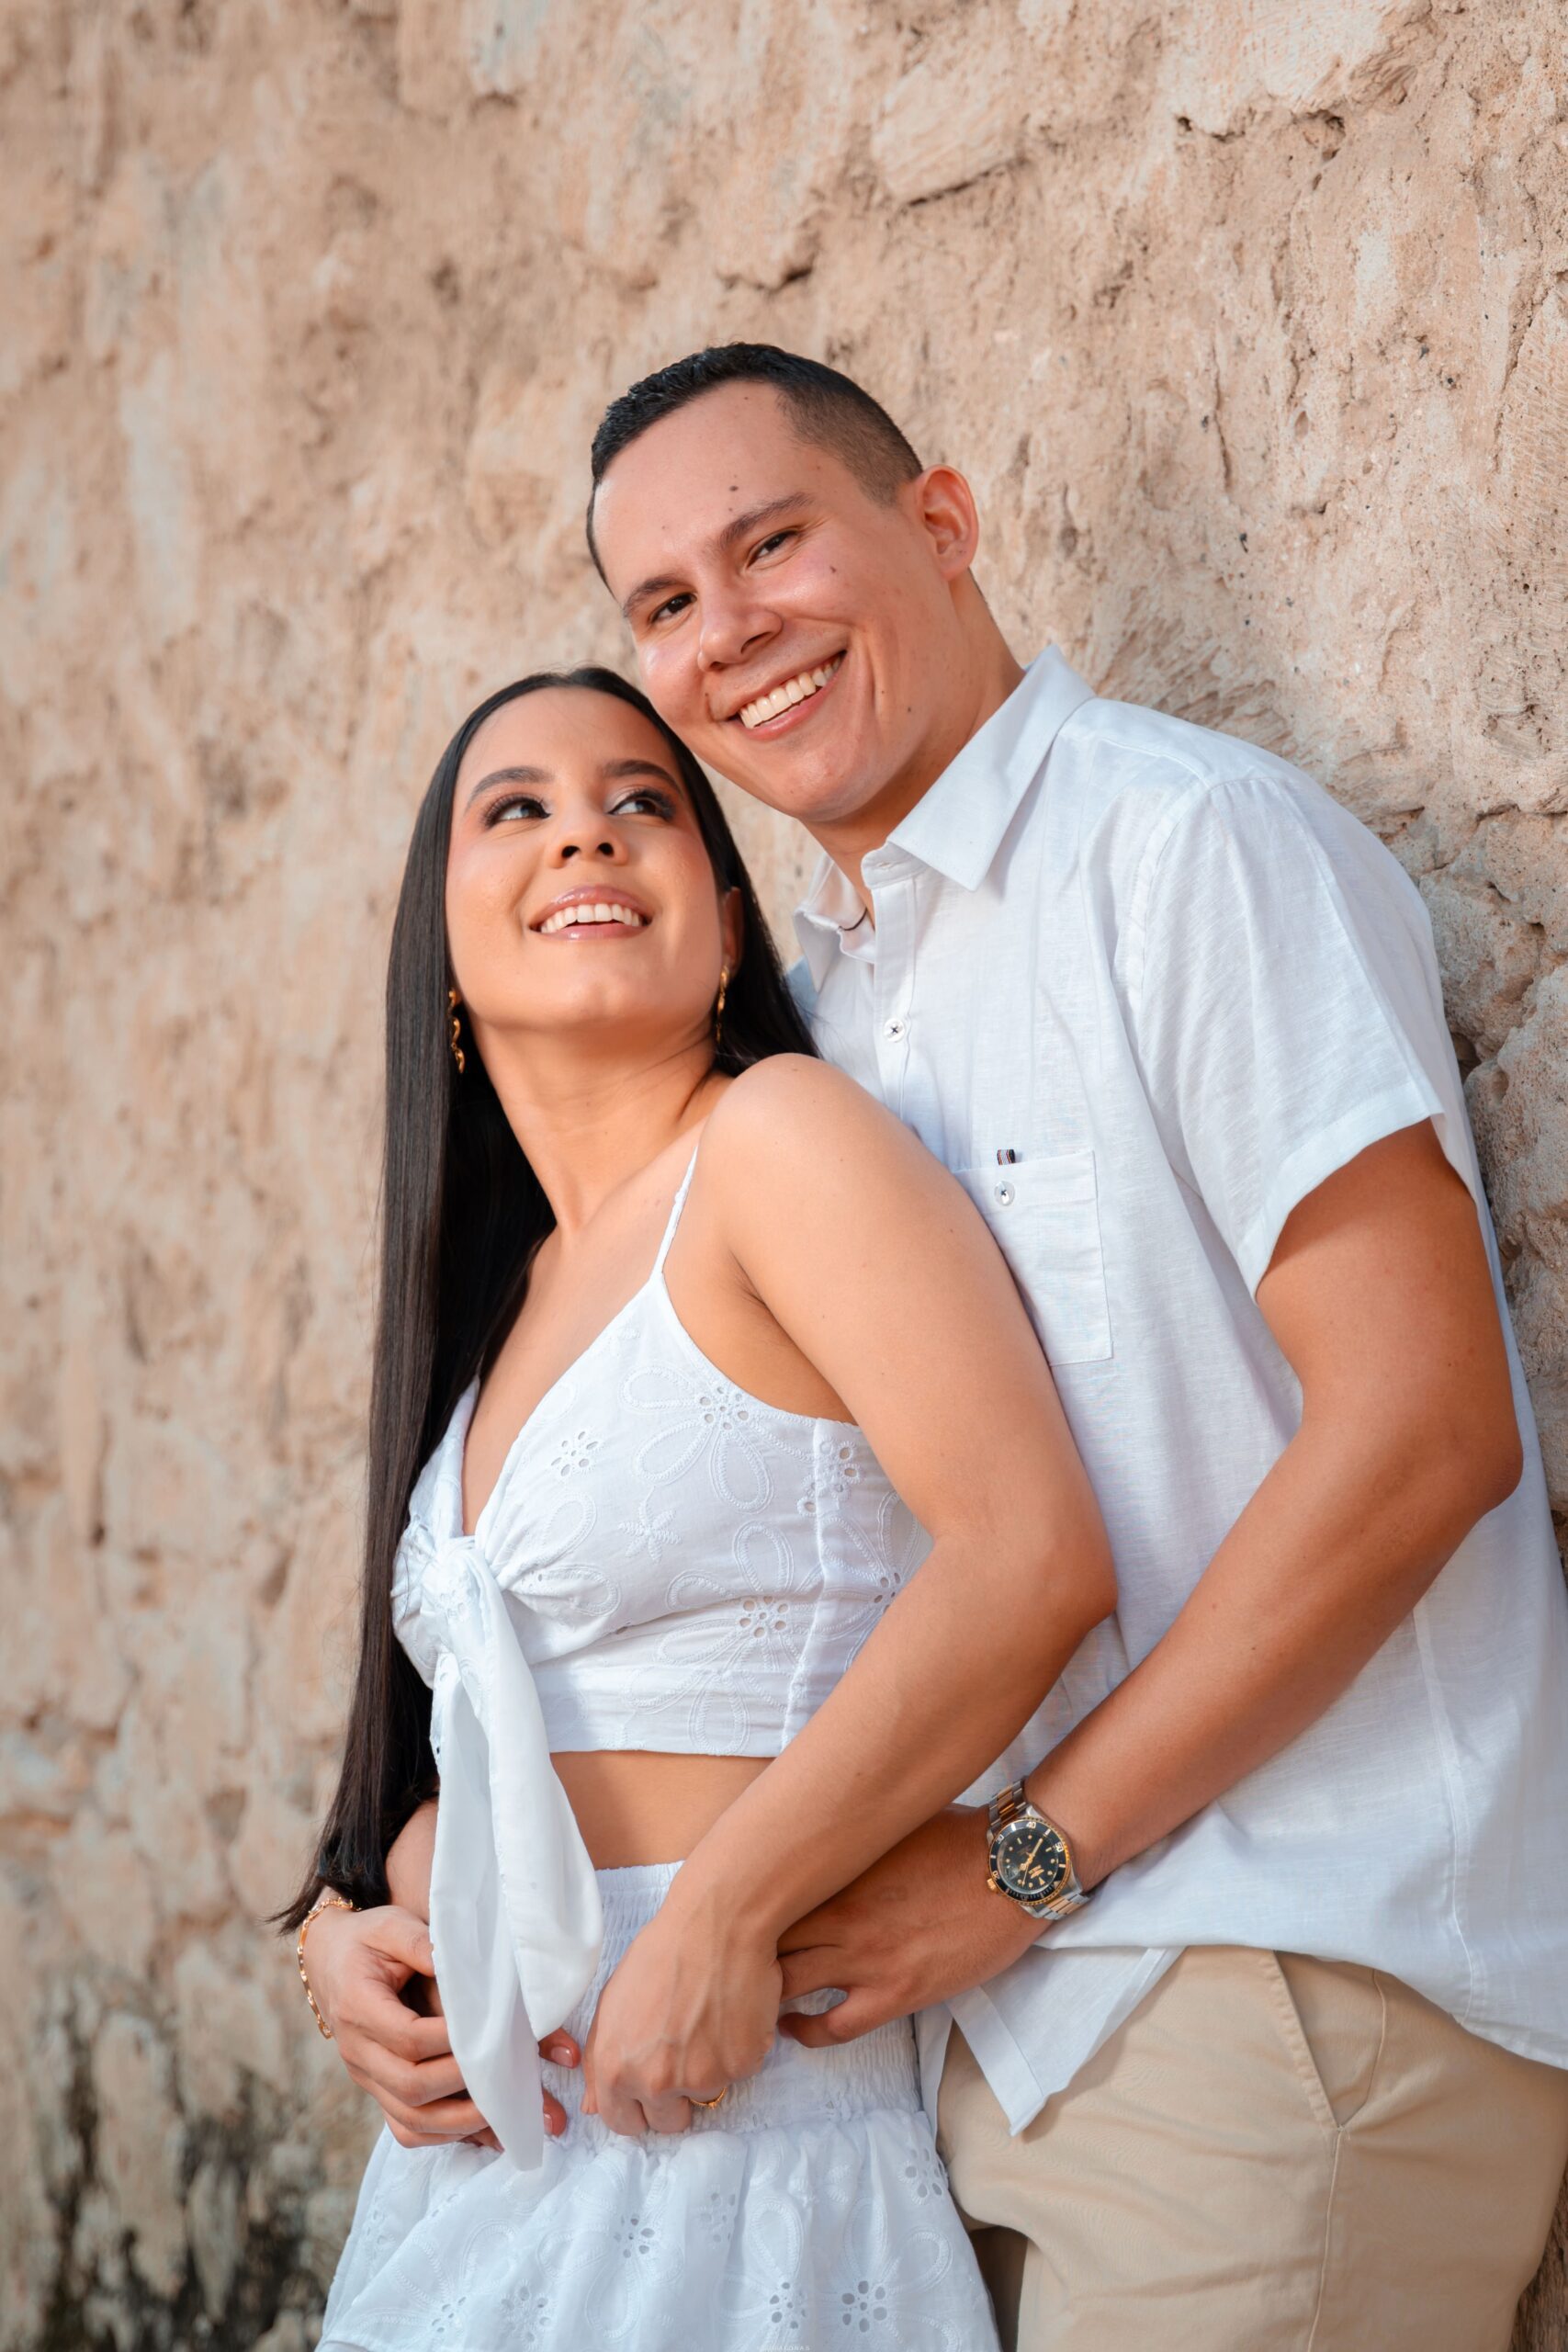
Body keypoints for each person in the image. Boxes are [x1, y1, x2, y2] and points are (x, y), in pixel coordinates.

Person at [309, 346, 1568, 2346]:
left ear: (944, 523)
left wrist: (1020, 1861)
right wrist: (381, 1893)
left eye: (772, 544)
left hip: (1277, 1971)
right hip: (977, 2040)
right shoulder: (830, 999)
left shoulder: (1179, 848)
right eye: (666, 603)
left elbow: (1423, 1429)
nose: (730, 631)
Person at [288, 663, 1115, 2351]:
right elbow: (477, 1732)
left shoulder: (775, 1143)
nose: (584, 832)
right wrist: (347, 1919)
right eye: (516, 809)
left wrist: (725, 1906)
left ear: (727, 926)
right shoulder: (500, 1300)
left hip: (738, 2107)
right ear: (440, 955)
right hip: (496, 2153)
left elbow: (1028, 1555)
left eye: (642, 802)